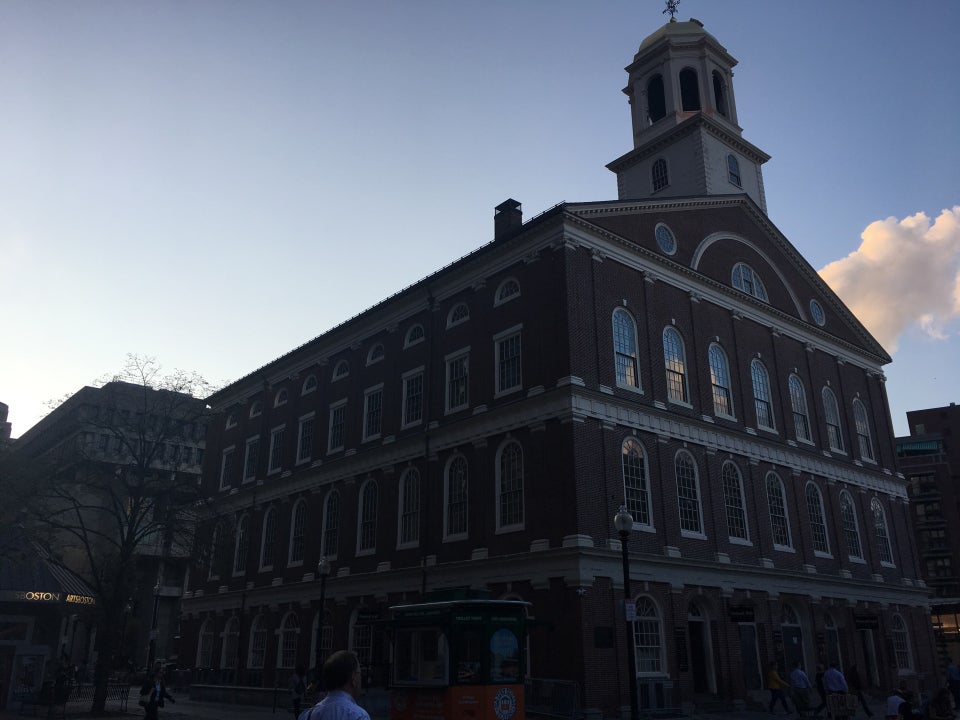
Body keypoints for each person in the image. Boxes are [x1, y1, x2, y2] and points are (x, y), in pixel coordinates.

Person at [298, 650, 370, 720]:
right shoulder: (359, 715)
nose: (361, 677)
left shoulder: (307, 716)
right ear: (353, 678)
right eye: (360, 673)